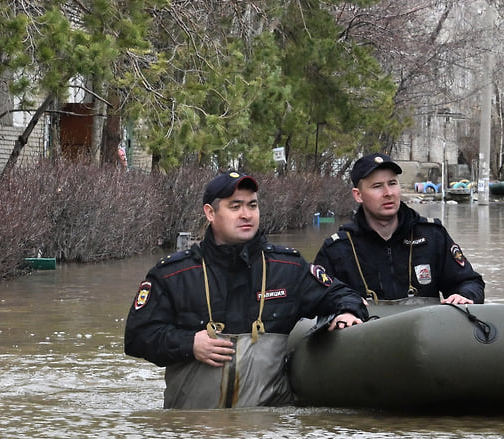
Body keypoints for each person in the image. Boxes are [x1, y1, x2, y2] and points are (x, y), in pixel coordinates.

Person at [124, 171, 367, 409]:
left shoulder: (288, 268)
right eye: (235, 206)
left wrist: (347, 312)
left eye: (252, 205)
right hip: (193, 435)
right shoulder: (173, 274)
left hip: (265, 436)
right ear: (210, 212)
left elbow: (342, 294)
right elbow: (136, 337)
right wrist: (189, 343)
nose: (246, 214)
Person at [313, 153, 485, 305]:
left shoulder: (432, 236)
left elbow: (470, 282)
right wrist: (342, 308)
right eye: (377, 186)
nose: (388, 193)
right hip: (366, 340)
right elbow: (315, 300)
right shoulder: (337, 249)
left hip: (423, 338)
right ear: (358, 195)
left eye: (392, 183)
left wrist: (463, 295)